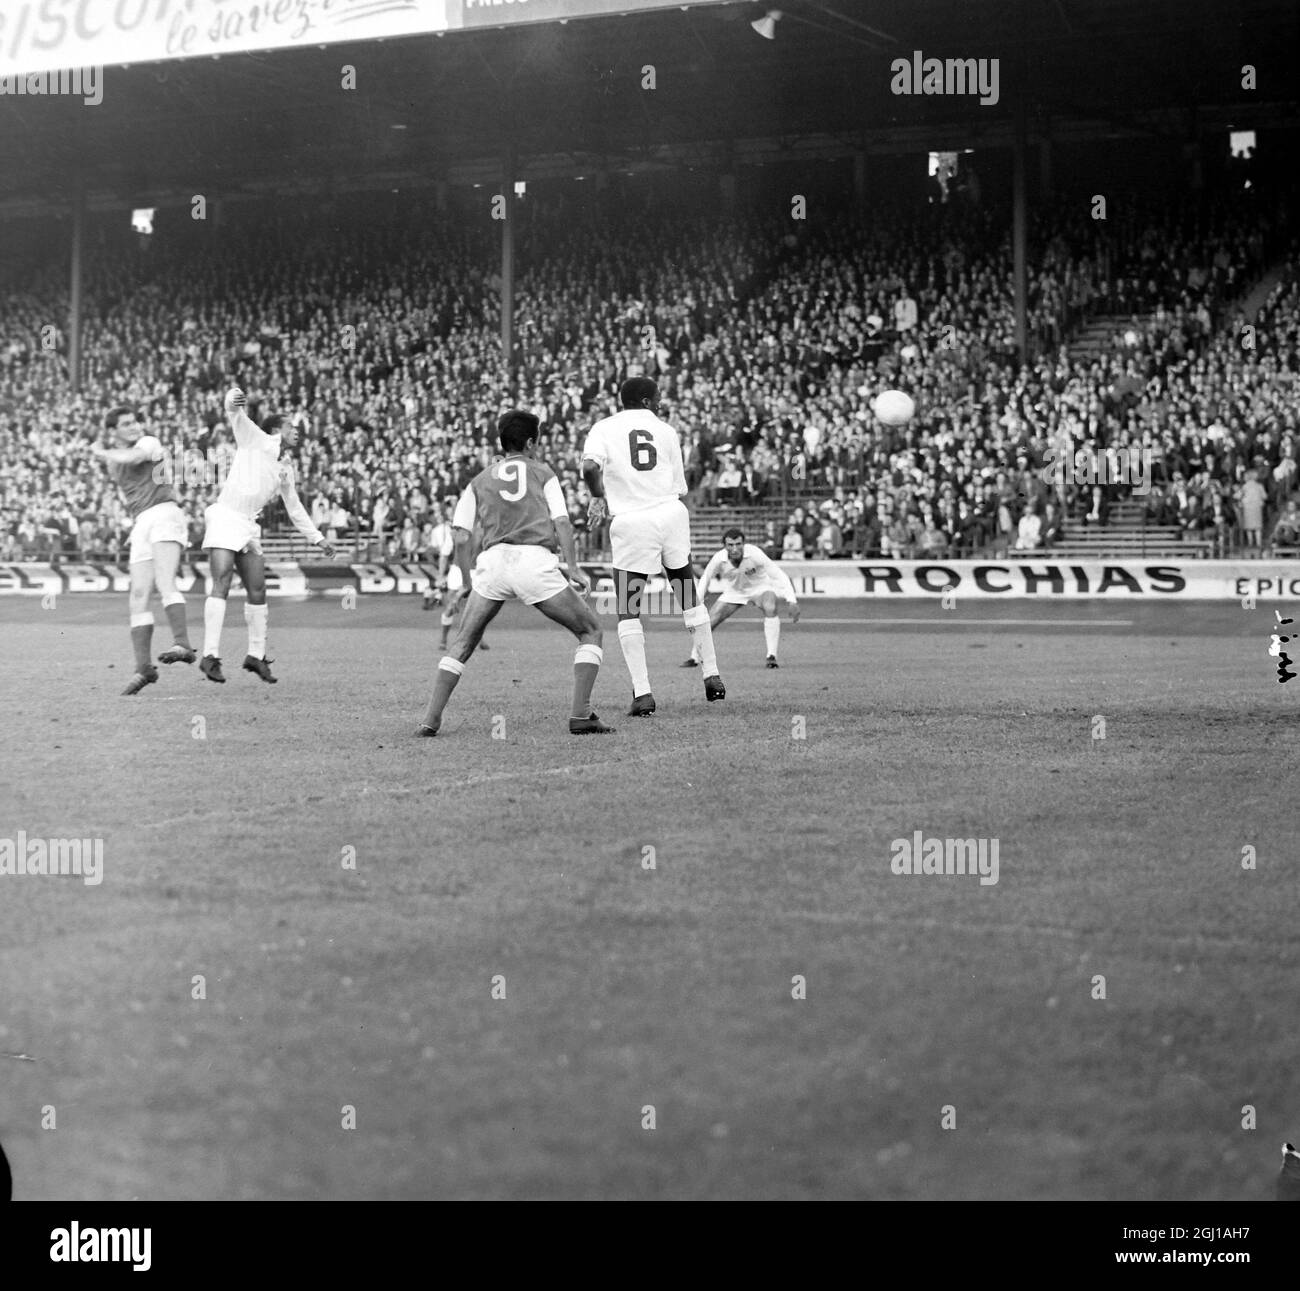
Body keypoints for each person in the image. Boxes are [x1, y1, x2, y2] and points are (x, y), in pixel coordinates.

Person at [417, 410, 612, 737]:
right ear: (532, 441)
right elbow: (561, 521)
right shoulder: (542, 471)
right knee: (591, 631)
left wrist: (467, 583)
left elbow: (461, 535)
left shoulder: (478, 480)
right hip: (533, 562)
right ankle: (581, 715)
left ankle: (430, 720)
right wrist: (574, 568)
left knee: (463, 643)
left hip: (492, 565)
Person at [582, 376, 723, 717]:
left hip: (632, 521)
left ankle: (643, 693)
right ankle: (712, 674)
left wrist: (598, 497)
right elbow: (679, 486)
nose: (661, 402)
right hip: (671, 514)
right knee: (687, 593)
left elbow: (589, 467)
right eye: (657, 397)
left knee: (629, 608)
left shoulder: (603, 427)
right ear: (645, 401)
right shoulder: (667, 431)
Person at [199, 389, 336, 684]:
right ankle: (210, 656)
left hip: (249, 525)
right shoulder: (255, 439)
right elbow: (234, 412)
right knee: (222, 579)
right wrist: (234, 396)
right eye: (290, 426)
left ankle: (256, 656)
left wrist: (318, 539)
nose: (296, 430)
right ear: (276, 430)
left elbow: (295, 507)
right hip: (226, 516)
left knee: (258, 590)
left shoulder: (286, 466)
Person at [89, 407, 195, 695]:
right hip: (143, 522)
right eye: (126, 424)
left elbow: (135, 457)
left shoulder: (148, 443)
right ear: (114, 431)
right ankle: (143, 668)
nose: (134, 426)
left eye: (134, 421)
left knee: (164, 582)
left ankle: (183, 643)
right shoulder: (115, 462)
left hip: (164, 513)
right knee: (137, 596)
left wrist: (102, 451)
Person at [683, 528, 800, 670]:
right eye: (730, 545)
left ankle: (771, 657)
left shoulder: (755, 554)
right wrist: (697, 603)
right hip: (734, 592)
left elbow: (777, 574)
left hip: (760, 588)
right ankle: (694, 657)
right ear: (724, 546)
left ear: (744, 544)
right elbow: (705, 578)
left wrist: (791, 600)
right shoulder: (719, 558)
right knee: (709, 620)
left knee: (771, 606)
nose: (735, 548)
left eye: (738, 544)